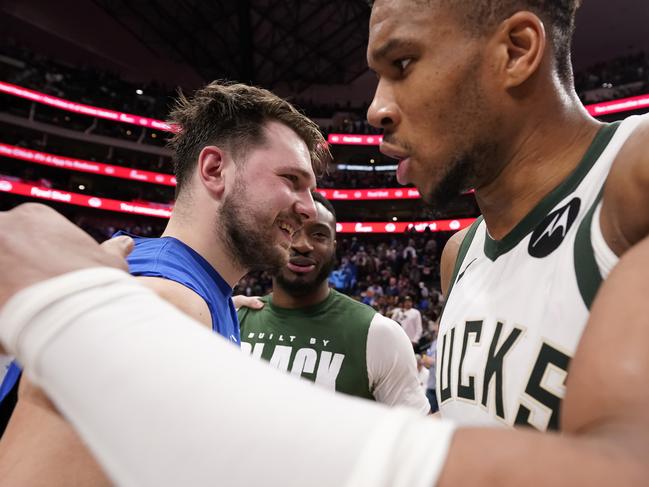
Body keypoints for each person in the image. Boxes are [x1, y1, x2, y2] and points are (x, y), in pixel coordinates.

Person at [1, 201, 648, 485]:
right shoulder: (231, 314)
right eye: (293, 224)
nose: (377, 106)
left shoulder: (379, 333)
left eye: (402, 62)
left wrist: (75, 307)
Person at [0, 81, 330, 484]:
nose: (309, 209)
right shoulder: (169, 303)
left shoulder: (196, 294)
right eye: (292, 180)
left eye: (311, 190)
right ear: (214, 170)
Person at [365, 0, 649, 432]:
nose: (376, 109)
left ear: (516, 51)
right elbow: (485, 418)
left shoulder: (633, 172)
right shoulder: (458, 255)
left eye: (402, 64)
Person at [236, 192, 430, 413]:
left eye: (318, 235)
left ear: (334, 247)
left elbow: (414, 434)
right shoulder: (233, 318)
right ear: (270, 239)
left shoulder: (378, 333)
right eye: (289, 230)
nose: (302, 245)